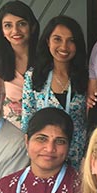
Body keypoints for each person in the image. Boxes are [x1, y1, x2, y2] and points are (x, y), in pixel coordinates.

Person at [21, 15, 87, 169]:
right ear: (47, 41)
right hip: (46, 154)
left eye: (71, 41)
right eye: (57, 39)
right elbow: (27, 119)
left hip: (77, 155)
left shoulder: (86, 77)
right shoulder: (33, 76)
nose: (64, 46)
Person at [0, 0, 40, 128]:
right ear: (2, 31)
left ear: (32, 27)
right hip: (8, 134)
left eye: (21, 24)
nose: (15, 31)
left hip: (42, 134)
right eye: (8, 25)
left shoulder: (46, 60)